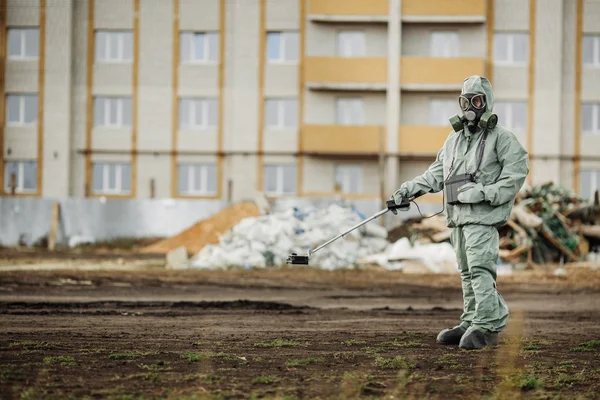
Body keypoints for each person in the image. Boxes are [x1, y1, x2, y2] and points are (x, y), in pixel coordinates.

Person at [391, 75, 529, 350]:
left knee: (480, 270)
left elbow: (516, 174)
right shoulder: (453, 141)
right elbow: (436, 174)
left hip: (482, 217)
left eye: (476, 101)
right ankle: (471, 319)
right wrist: (408, 190)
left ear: (487, 103)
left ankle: (487, 325)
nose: (470, 108)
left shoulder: (502, 138)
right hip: (457, 219)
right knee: (466, 272)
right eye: (465, 101)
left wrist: (484, 192)